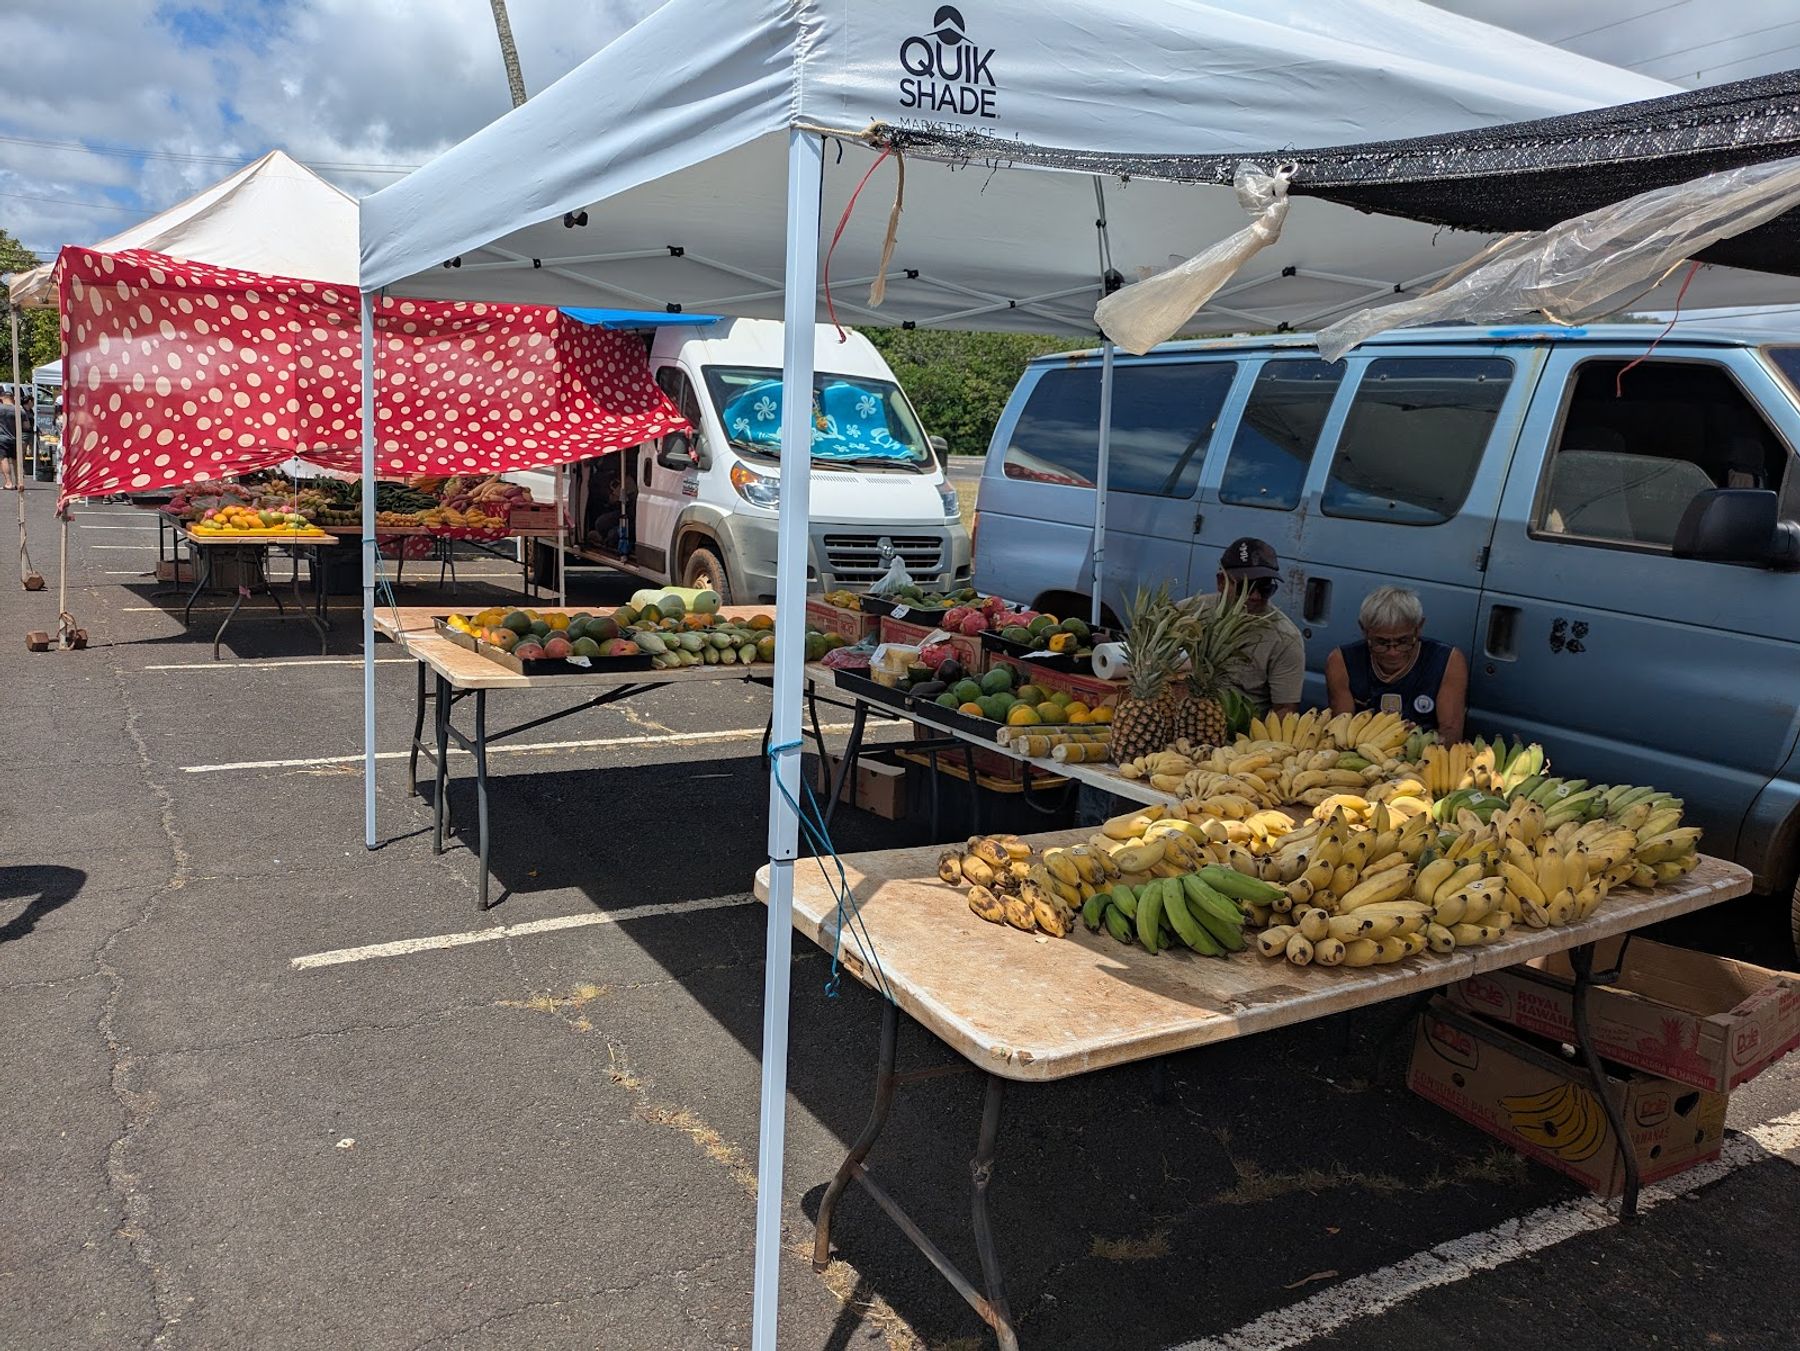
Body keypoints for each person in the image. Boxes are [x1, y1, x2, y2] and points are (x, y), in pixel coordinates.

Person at [1325, 586, 1467, 744]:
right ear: (1364, 631)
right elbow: (1341, 730)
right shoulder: (1342, 661)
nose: (1393, 652)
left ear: (1419, 628)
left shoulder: (1447, 660)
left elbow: (1450, 732)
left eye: (1403, 641)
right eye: (1381, 642)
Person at [1182, 537, 1305, 716]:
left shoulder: (1285, 638)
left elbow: (1285, 710)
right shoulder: (1188, 613)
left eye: (1265, 588)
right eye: (1245, 587)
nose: (1255, 596)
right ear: (1221, 582)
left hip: (1242, 734)